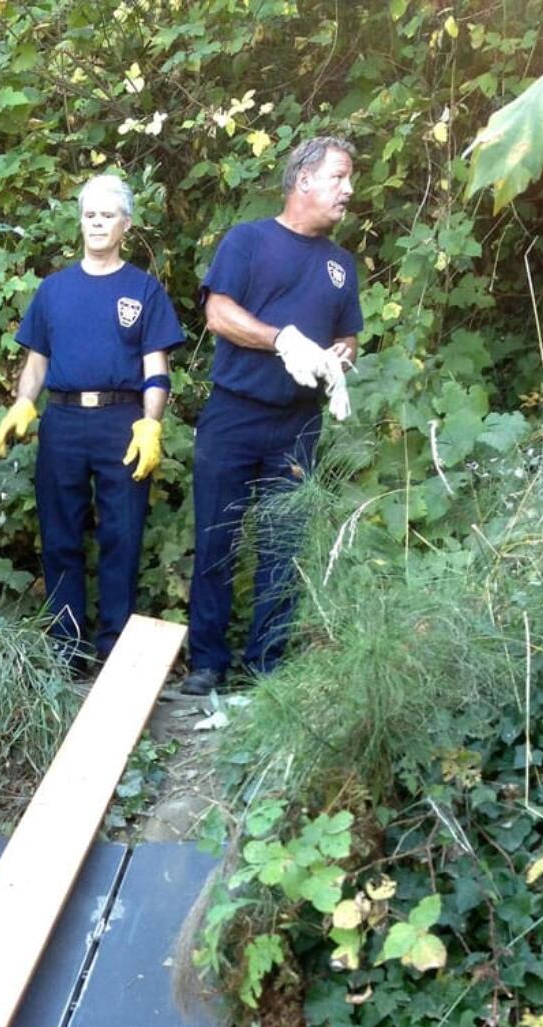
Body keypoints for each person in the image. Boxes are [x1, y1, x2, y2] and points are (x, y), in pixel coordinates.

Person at [180, 135, 363, 695]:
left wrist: (338, 362)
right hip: (234, 415)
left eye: (349, 179)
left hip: (298, 423)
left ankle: (267, 667)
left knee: (284, 545)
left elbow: (348, 335)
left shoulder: (339, 265)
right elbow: (218, 314)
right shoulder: (249, 241)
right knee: (217, 536)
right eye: (339, 177)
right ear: (304, 180)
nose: (348, 190)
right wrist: (281, 338)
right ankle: (207, 662)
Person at [0, 175, 185, 672]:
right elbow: (36, 360)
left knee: (122, 535)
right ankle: (67, 646)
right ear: (79, 221)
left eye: (107, 215)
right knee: (60, 534)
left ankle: (116, 647)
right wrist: (22, 403)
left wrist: (151, 425)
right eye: (89, 214)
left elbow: (156, 367)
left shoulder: (143, 289)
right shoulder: (54, 290)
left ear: (126, 223)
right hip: (63, 420)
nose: (97, 222)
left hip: (122, 421)